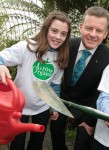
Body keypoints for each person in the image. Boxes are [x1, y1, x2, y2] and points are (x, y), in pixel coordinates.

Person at [0, 11, 71, 150]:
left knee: (36, 144)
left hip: (42, 108)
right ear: (46, 29)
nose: (58, 37)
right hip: (20, 109)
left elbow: (55, 86)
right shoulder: (27, 47)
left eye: (63, 34)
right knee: (17, 144)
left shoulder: (60, 56)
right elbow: (2, 57)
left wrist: (54, 106)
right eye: (54, 31)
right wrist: (1, 65)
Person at [50, 6, 109, 150]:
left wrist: (89, 121)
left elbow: (102, 92)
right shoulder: (67, 45)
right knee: (55, 132)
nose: (93, 34)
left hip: (88, 107)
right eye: (88, 28)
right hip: (62, 100)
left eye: (99, 31)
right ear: (80, 27)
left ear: (105, 34)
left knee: (83, 142)